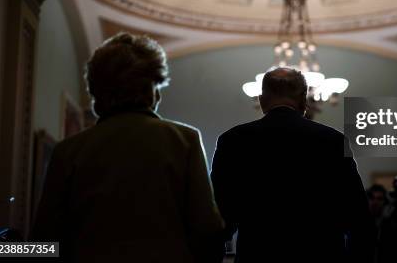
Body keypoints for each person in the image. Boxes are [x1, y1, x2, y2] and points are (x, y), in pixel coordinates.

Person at [30, 33, 224, 262]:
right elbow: (207, 232)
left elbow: (44, 242)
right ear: (152, 89)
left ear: (96, 92)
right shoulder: (184, 140)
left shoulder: (68, 151)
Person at [211, 67, 375, 263]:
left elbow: (220, 213)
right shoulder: (332, 140)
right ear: (304, 100)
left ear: (262, 100)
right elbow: (357, 216)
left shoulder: (233, 140)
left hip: (258, 254)